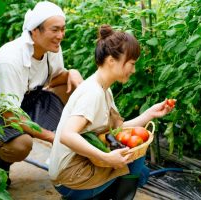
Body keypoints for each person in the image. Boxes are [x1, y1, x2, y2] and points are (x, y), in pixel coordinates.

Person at [48, 24, 175, 200]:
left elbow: (117, 130)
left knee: (142, 171)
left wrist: (150, 114)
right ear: (111, 60)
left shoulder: (103, 88)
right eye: (131, 63)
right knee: (135, 160)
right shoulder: (93, 93)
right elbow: (67, 135)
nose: (134, 69)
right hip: (71, 176)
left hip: (74, 168)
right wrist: (106, 158)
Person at [0, 1, 83, 186]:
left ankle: (80, 148)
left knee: (76, 88)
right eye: (55, 30)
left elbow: (56, 78)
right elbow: (10, 114)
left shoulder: (51, 48)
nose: (60, 35)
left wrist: (73, 73)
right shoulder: (9, 60)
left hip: (28, 99)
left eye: (63, 29)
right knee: (21, 144)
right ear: (35, 31)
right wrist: (53, 138)